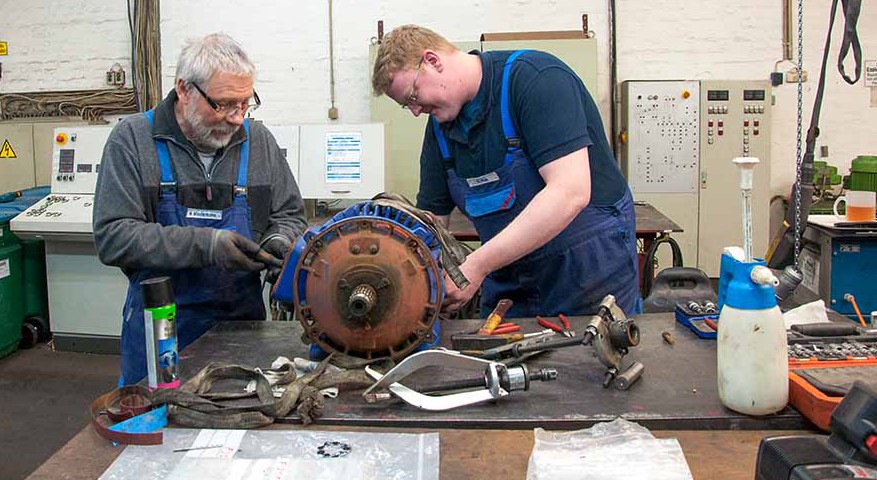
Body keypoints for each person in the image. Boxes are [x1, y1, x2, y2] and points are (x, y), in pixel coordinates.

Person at [371, 25, 641, 318]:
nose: (414, 111)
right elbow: (433, 222)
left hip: (586, 274)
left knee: (591, 359)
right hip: (510, 282)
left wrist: (475, 267)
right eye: (405, 106)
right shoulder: (440, 130)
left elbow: (569, 192)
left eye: (412, 96)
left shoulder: (536, 80)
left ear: (433, 61)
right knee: (498, 360)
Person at [94, 33, 307, 385]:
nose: (238, 118)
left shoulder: (260, 143)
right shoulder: (132, 140)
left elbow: (289, 214)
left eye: (245, 103)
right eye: (223, 104)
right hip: (161, 326)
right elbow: (113, 237)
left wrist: (278, 240)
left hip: (244, 326)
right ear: (183, 90)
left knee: (242, 417)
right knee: (157, 421)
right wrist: (207, 246)